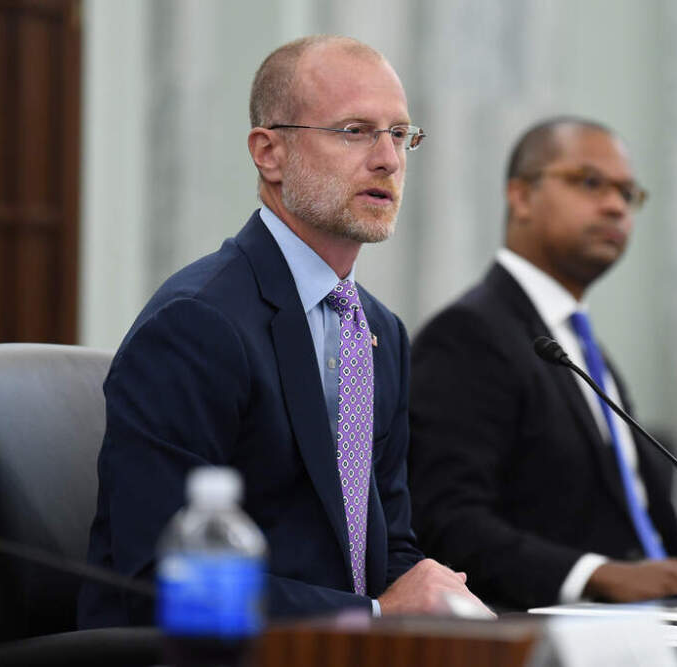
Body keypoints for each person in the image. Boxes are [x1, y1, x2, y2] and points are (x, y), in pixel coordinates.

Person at [78, 35, 491, 627]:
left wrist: (436, 600)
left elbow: (388, 545)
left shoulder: (379, 332)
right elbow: (161, 582)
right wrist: (375, 614)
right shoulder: (197, 326)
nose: (388, 160)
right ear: (269, 152)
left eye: (400, 134)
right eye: (355, 131)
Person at [408, 117, 677, 611]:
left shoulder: (579, 345)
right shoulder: (469, 334)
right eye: (589, 183)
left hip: (647, 620)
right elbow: (448, 523)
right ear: (521, 196)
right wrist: (595, 575)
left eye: (628, 193)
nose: (615, 205)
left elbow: (648, 545)